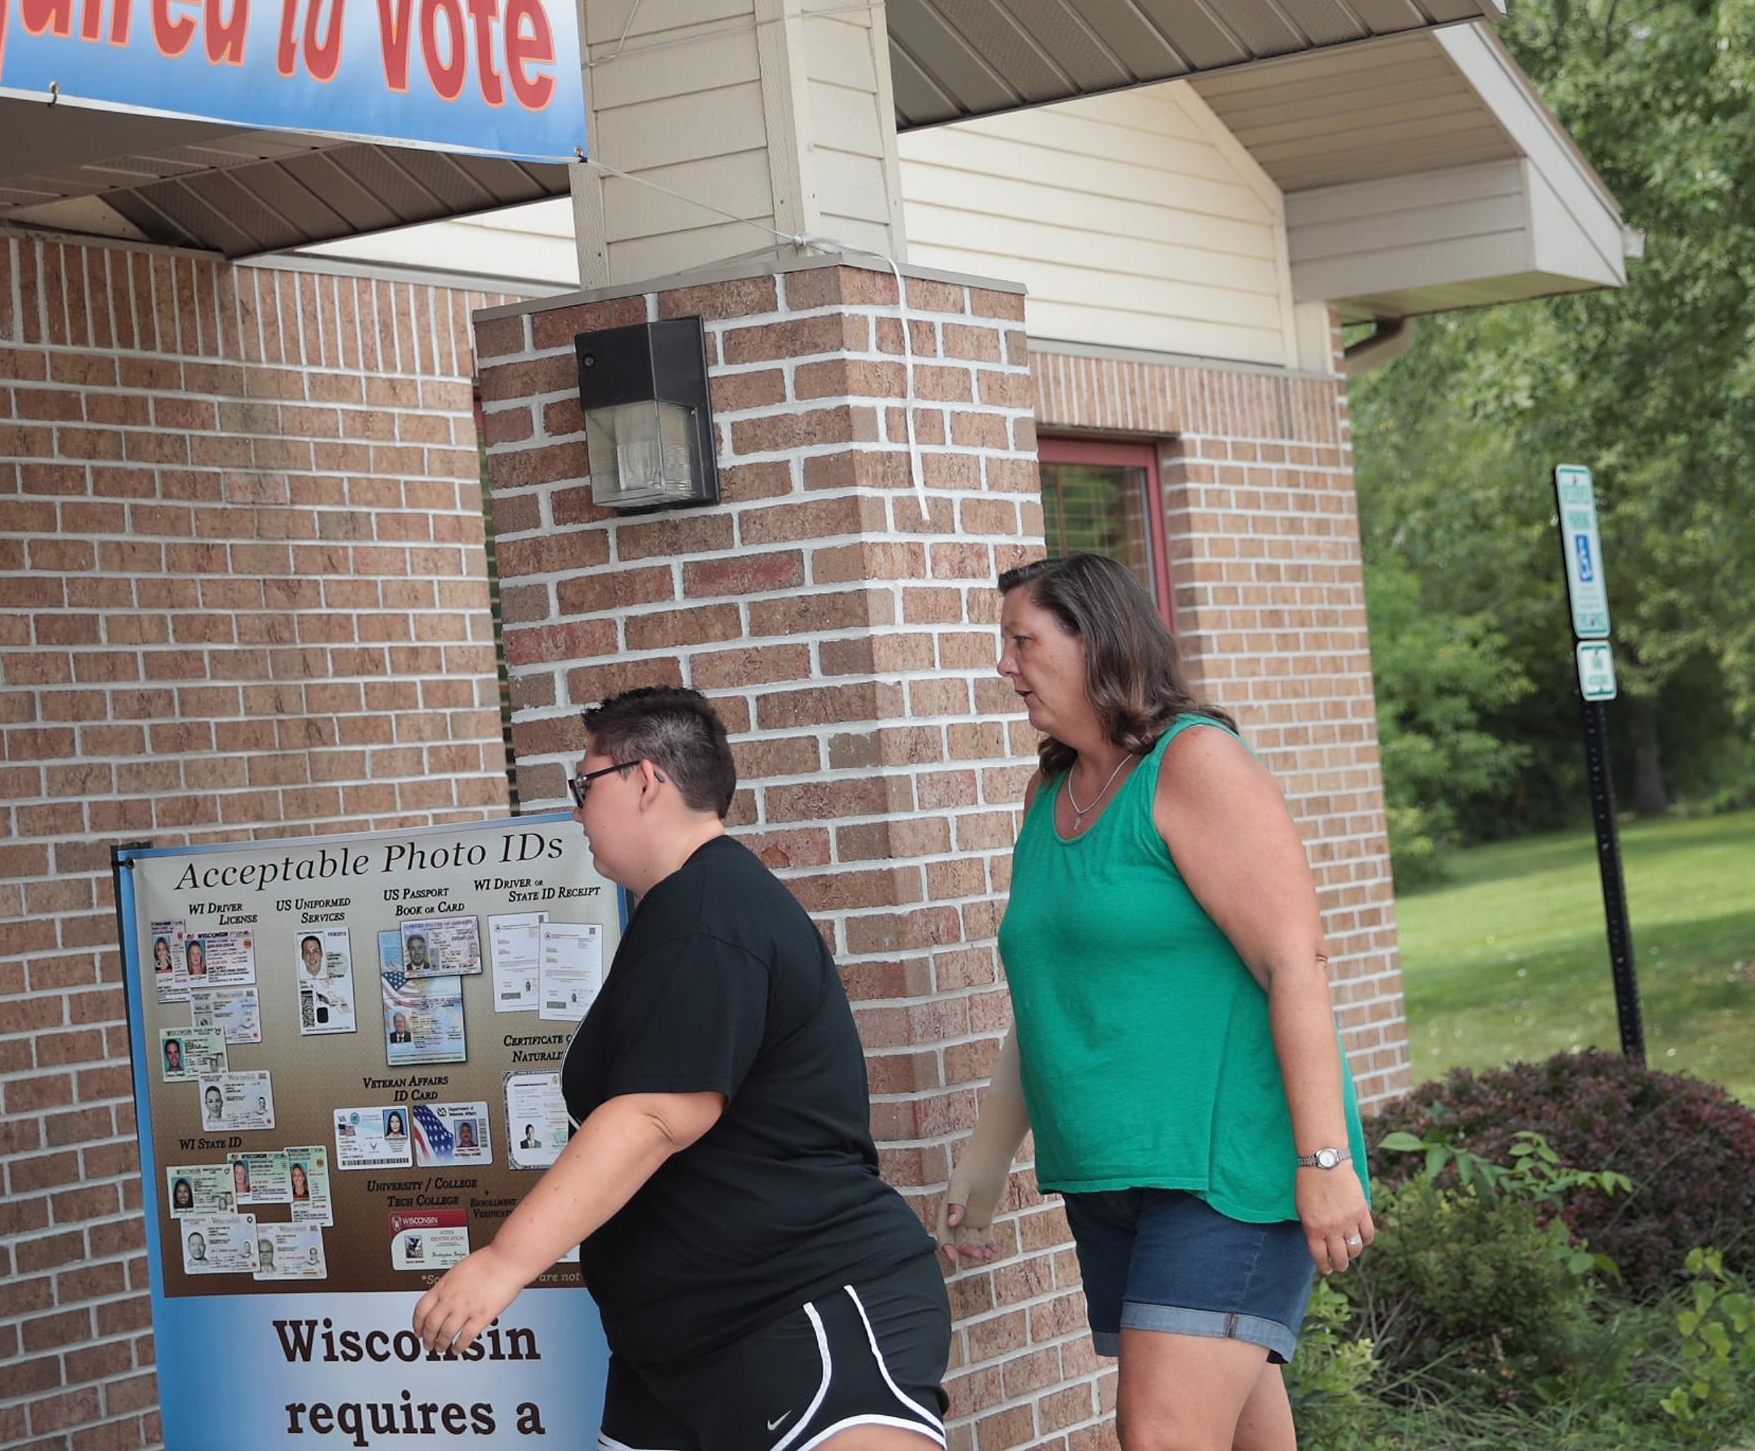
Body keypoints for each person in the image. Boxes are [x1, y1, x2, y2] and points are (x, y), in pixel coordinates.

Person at [414, 686, 949, 1451]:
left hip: (800, 1307)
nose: (575, 811)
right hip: (676, 1350)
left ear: (644, 779)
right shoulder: (676, 913)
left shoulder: (712, 914)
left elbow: (656, 1115)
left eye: (583, 786)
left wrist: (502, 1264)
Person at [941, 555, 1375, 1451]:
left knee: (1159, 1433)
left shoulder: (1196, 763)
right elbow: (1053, 997)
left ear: (1094, 640)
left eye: (1022, 640)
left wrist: (1325, 1157)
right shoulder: (1050, 793)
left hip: (1223, 1171)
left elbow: (1297, 961)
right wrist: (986, 1162)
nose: (1004, 665)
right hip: (1111, 1174)